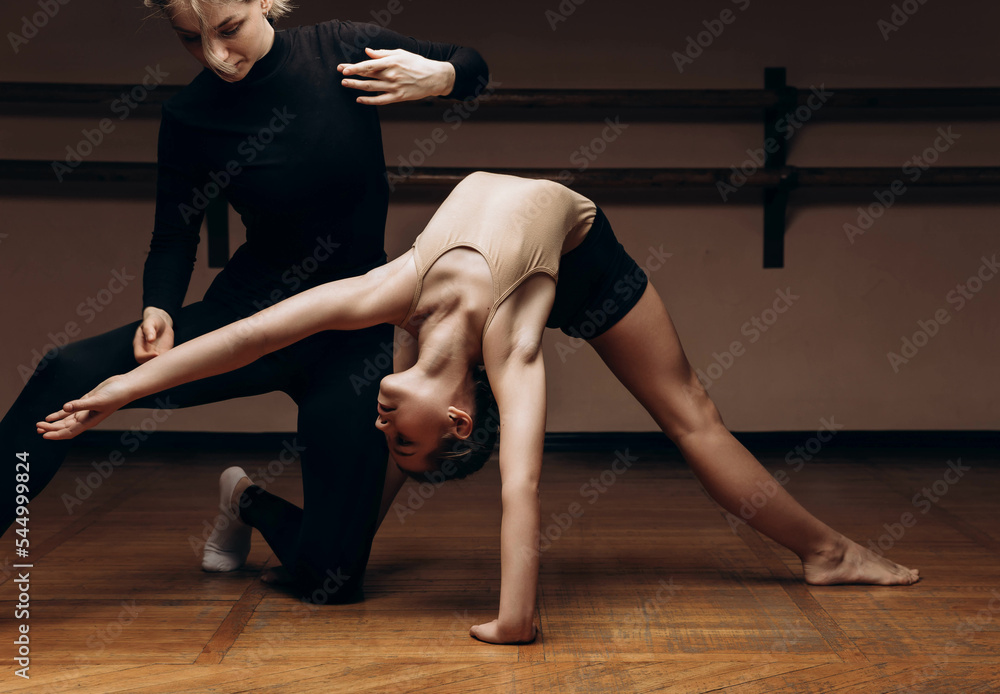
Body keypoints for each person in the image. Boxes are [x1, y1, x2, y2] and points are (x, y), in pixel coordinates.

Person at [37, 171, 920, 645]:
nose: (381, 423)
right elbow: (246, 337)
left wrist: (117, 390)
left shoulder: (408, 299)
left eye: (391, 440)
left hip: (581, 262)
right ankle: (286, 523)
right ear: (457, 419)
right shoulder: (504, 353)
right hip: (561, 266)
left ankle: (829, 554)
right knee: (336, 568)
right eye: (402, 437)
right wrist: (117, 392)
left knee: (690, 413)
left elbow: (255, 334)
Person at [2, 0, 489, 604]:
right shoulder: (190, 115)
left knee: (332, 583)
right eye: (189, 40)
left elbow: (472, 65)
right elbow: (175, 234)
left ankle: (245, 499)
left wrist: (440, 77)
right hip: (243, 316)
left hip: (349, 337)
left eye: (229, 30)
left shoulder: (340, 48)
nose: (215, 56)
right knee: (65, 373)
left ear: (265, 2)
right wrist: (159, 306)